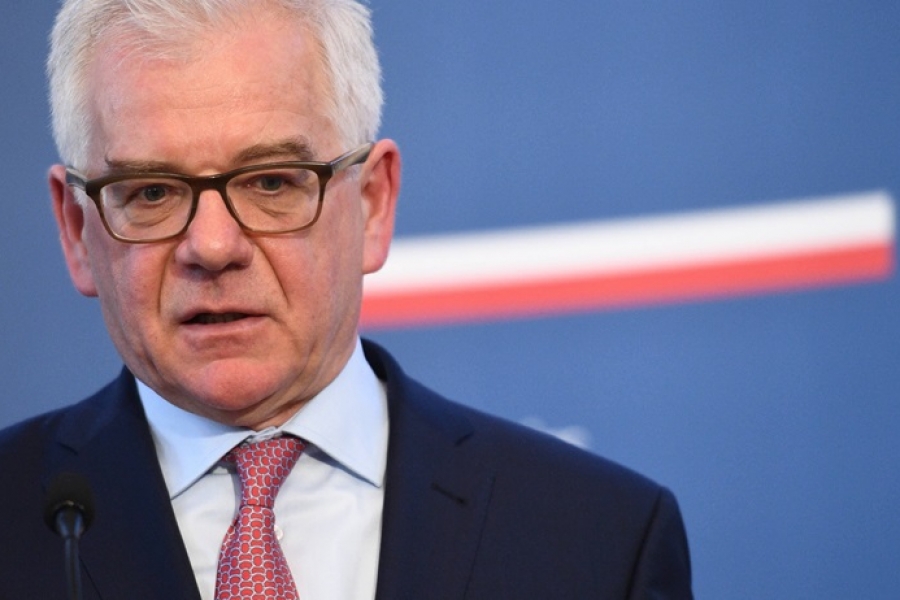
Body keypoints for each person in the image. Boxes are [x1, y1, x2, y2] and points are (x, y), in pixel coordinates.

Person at [0, 0, 693, 598]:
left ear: (373, 204)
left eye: (271, 182)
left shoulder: (599, 538)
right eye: (151, 192)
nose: (211, 246)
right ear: (76, 229)